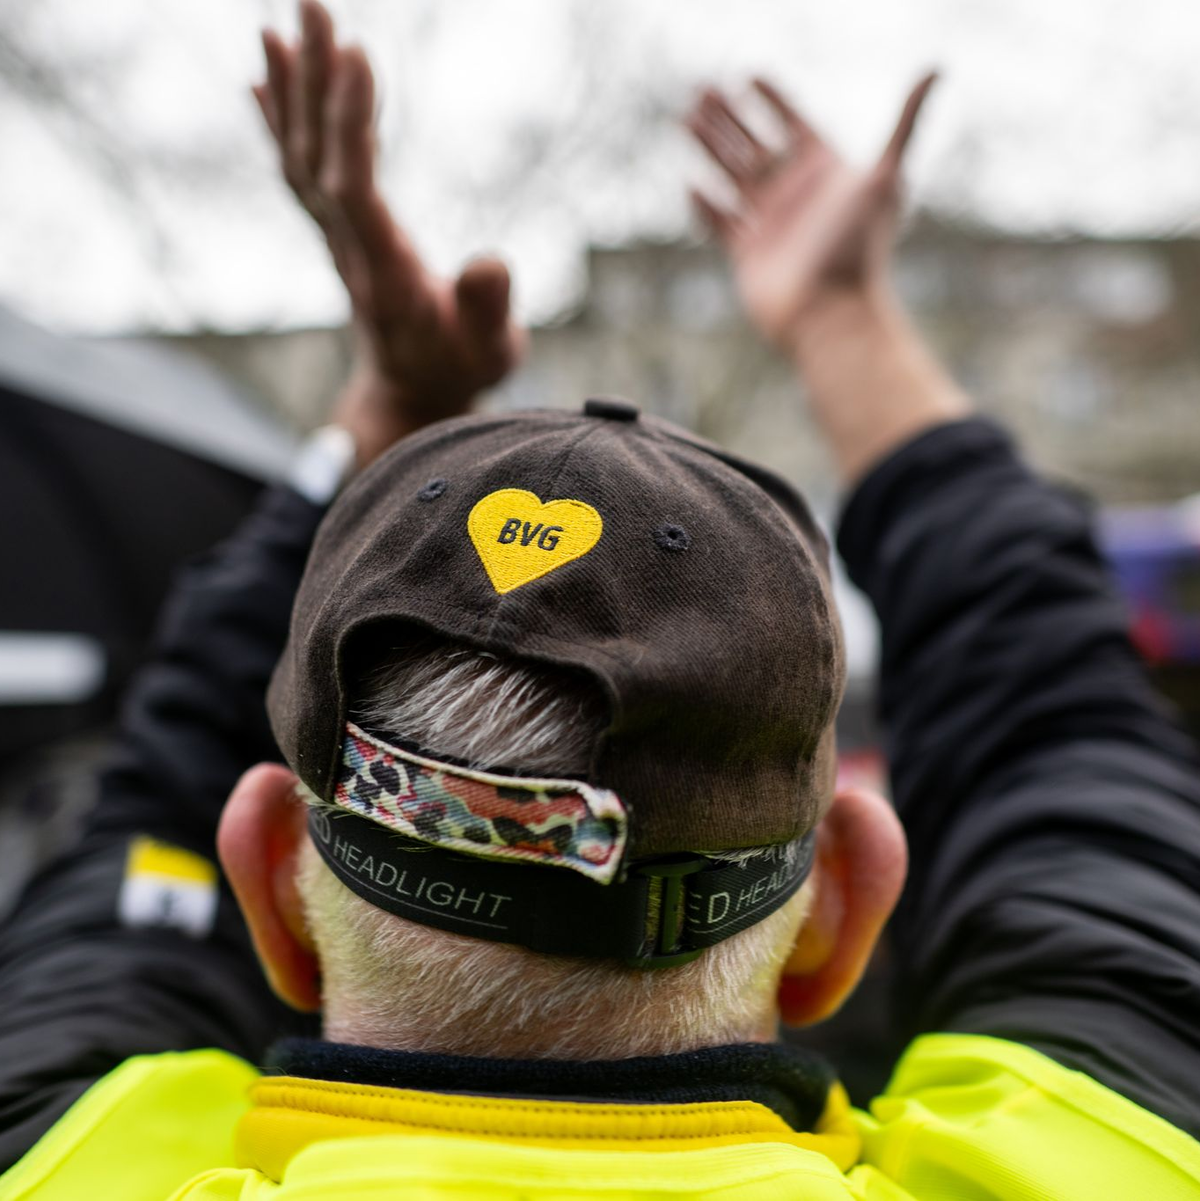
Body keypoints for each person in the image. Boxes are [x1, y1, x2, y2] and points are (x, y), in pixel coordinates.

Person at [3, 3, 1200, 1196]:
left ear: (268, 871)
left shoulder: (64, 1160)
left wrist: (381, 413)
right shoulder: (1099, 1165)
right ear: (846, 899)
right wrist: (844, 321)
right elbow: (1063, 743)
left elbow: (147, 815)